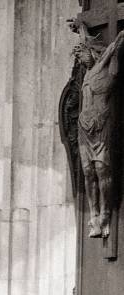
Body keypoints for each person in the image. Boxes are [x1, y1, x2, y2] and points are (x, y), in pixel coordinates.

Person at [73, 24, 124, 237]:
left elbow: (116, 44)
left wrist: (117, 43)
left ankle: (105, 212)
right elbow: (87, 39)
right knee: (87, 171)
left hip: (101, 126)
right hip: (85, 128)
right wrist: (81, 26)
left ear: (93, 53)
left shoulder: (107, 71)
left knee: (102, 169)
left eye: (83, 55)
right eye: (79, 58)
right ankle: (93, 212)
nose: (81, 60)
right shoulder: (87, 75)